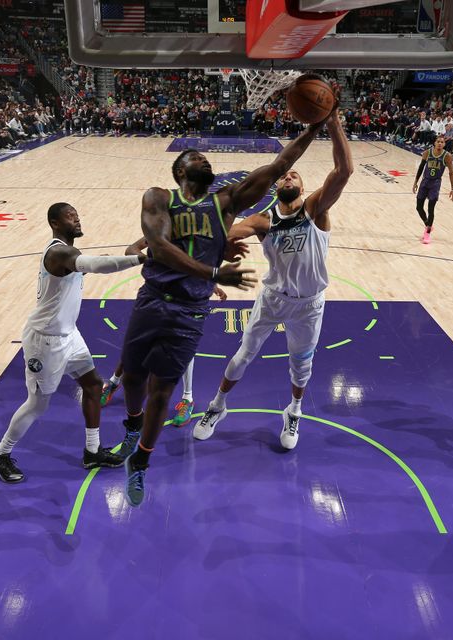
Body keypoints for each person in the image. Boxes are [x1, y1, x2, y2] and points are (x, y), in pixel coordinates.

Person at [111, 112, 334, 507]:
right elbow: (162, 246)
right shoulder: (158, 197)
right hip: (153, 299)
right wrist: (214, 267)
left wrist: (315, 127)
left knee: (162, 390)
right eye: (198, 159)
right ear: (180, 171)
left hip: (190, 309)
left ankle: (140, 462)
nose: (206, 162)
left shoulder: (225, 202)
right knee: (132, 377)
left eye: (208, 161)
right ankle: (132, 425)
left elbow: (280, 165)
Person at [192, 108, 353, 451]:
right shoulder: (262, 220)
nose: (288, 179)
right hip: (273, 298)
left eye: (294, 177)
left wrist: (334, 124)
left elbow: (344, 171)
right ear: (277, 185)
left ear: (304, 187)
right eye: (284, 177)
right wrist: (220, 244)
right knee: (242, 355)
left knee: (301, 368)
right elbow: (223, 233)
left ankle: (293, 411)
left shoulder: (315, 210)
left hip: (309, 305)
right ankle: (217, 406)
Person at [0, 202, 145, 483]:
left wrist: (143, 242)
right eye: (71, 216)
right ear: (55, 223)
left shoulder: (70, 253)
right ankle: (0, 454)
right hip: (44, 342)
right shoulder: (59, 252)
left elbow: (95, 261)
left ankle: (92, 451)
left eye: (78, 215)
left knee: (94, 385)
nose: (77, 219)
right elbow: (95, 265)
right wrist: (139, 259)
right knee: (37, 405)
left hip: (69, 335)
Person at [100, 237, 230, 428]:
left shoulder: (200, 236)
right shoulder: (161, 231)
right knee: (138, 345)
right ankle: (114, 381)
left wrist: (213, 285)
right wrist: (152, 264)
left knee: (183, 348)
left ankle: (187, 399)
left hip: (187, 304)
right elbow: (131, 248)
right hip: (156, 298)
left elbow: (200, 267)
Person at [411, 134, 453, 244]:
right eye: (438, 141)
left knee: (431, 209)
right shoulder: (427, 152)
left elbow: (451, 173)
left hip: (435, 183)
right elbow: (421, 168)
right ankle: (428, 225)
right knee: (419, 207)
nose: (440, 143)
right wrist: (415, 182)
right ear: (434, 143)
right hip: (425, 181)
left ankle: (427, 234)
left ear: (444, 144)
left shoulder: (447, 156)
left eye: (442, 142)